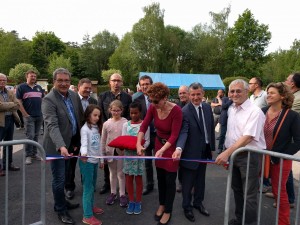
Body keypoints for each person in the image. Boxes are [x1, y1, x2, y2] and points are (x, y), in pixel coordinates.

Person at [216, 79, 266, 225]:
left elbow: (247, 137)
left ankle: (248, 222)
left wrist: (226, 153)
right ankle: (240, 219)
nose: (235, 94)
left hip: (249, 157)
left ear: (247, 91)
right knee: (237, 190)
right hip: (235, 155)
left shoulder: (254, 111)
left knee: (249, 194)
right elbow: (232, 133)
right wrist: (228, 152)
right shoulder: (232, 108)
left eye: (239, 90)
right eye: (232, 91)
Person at [136, 82, 183, 225]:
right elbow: (144, 125)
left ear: (165, 97)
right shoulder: (152, 107)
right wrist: (138, 143)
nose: (153, 103)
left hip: (170, 148)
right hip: (158, 144)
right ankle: (162, 204)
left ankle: (168, 210)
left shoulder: (176, 111)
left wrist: (163, 150)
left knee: (170, 181)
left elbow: (175, 135)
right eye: (151, 100)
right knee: (161, 178)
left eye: (156, 101)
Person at [42, 68, 83, 225]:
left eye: (66, 80)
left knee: (66, 175)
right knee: (59, 179)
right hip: (57, 147)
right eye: (60, 80)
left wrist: (77, 141)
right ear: (54, 82)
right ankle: (60, 209)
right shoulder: (48, 100)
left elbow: (78, 117)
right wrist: (61, 146)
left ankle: (63, 202)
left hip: (71, 144)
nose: (64, 83)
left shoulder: (73, 95)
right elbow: (52, 125)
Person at [175, 82, 214, 222]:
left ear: (203, 94)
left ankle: (198, 203)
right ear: (189, 95)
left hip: (204, 152)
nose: (196, 97)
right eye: (193, 94)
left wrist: (211, 148)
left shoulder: (208, 108)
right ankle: (187, 207)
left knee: (200, 181)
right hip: (190, 154)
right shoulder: (184, 111)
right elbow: (183, 132)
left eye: (198, 94)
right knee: (187, 183)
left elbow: (209, 129)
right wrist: (179, 149)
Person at [262, 82, 300, 225]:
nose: (268, 95)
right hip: (261, 157)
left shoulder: (292, 116)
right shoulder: (262, 111)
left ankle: (284, 222)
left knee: (280, 193)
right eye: (268, 92)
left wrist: (282, 155)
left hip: (281, 159)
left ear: (282, 96)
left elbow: (298, 141)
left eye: (272, 92)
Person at [64, 78, 99, 200]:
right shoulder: (72, 99)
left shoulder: (94, 100)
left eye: (90, 88)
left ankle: (87, 184)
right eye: (86, 88)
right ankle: (69, 187)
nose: (88, 90)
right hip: (74, 137)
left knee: (88, 162)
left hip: (89, 136)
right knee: (71, 164)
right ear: (79, 86)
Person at [98, 73, 132, 195]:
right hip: (108, 131)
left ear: (122, 82)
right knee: (109, 162)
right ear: (110, 82)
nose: (116, 83)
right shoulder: (103, 96)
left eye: (118, 80)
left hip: (122, 133)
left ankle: (124, 188)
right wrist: (103, 128)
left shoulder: (127, 98)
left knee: (122, 166)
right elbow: (100, 114)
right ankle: (107, 184)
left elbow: (129, 115)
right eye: (114, 80)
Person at [122, 102, 150, 215]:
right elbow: (123, 139)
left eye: (136, 113)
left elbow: (147, 141)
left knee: (138, 179)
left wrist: (142, 148)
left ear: (140, 112)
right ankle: (131, 201)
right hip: (128, 156)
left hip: (139, 156)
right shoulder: (125, 125)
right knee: (128, 179)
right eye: (131, 113)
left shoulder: (144, 125)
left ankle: (138, 201)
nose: (133, 115)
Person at [100, 100, 128, 207]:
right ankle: (113, 193)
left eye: (118, 110)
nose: (116, 112)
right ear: (110, 110)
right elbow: (103, 140)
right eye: (114, 110)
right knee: (112, 173)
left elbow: (127, 138)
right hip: (110, 152)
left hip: (121, 152)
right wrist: (102, 155)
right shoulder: (106, 124)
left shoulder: (125, 122)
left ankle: (122, 194)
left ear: (121, 110)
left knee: (121, 173)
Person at [79, 104, 104, 225]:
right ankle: (87, 216)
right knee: (88, 188)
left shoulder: (96, 128)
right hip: (87, 162)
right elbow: (84, 144)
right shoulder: (85, 129)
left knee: (92, 187)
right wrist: (84, 154)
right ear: (88, 115)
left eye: (98, 116)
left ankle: (91, 206)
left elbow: (99, 146)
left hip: (94, 161)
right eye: (95, 115)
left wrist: (102, 160)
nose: (97, 118)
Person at [16, 70, 44, 165]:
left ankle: (34, 154)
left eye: (35, 76)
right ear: (26, 77)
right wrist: (25, 114)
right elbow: (18, 102)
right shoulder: (22, 87)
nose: (33, 78)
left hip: (39, 115)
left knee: (36, 136)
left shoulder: (39, 87)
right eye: (31, 76)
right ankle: (28, 155)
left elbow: (43, 100)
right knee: (30, 136)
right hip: (29, 116)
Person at [134, 75, 155, 195]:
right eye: (142, 84)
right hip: (145, 135)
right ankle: (150, 184)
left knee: (159, 161)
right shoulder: (137, 100)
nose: (145, 86)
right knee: (147, 162)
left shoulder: (158, 98)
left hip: (158, 135)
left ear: (151, 84)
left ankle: (163, 183)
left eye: (147, 84)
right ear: (140, 86)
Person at [0, 73, 21, 175]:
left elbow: (18, 105)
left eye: (4, 80)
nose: (2, 82)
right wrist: (11, 105)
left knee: (9, 144)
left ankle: (8, 164)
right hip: (0, 121)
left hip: (10, 119)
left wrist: (7, 105)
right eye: (0, 80)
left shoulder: (9, 92)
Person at [176, 85, 189, 193]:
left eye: (184, 93)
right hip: (180, 138)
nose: (182, 95)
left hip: (192, 138)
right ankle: (181, 182)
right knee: (180, 163)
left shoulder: (192, 104)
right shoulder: (177, 106)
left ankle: (191, 184)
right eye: (180, 93)